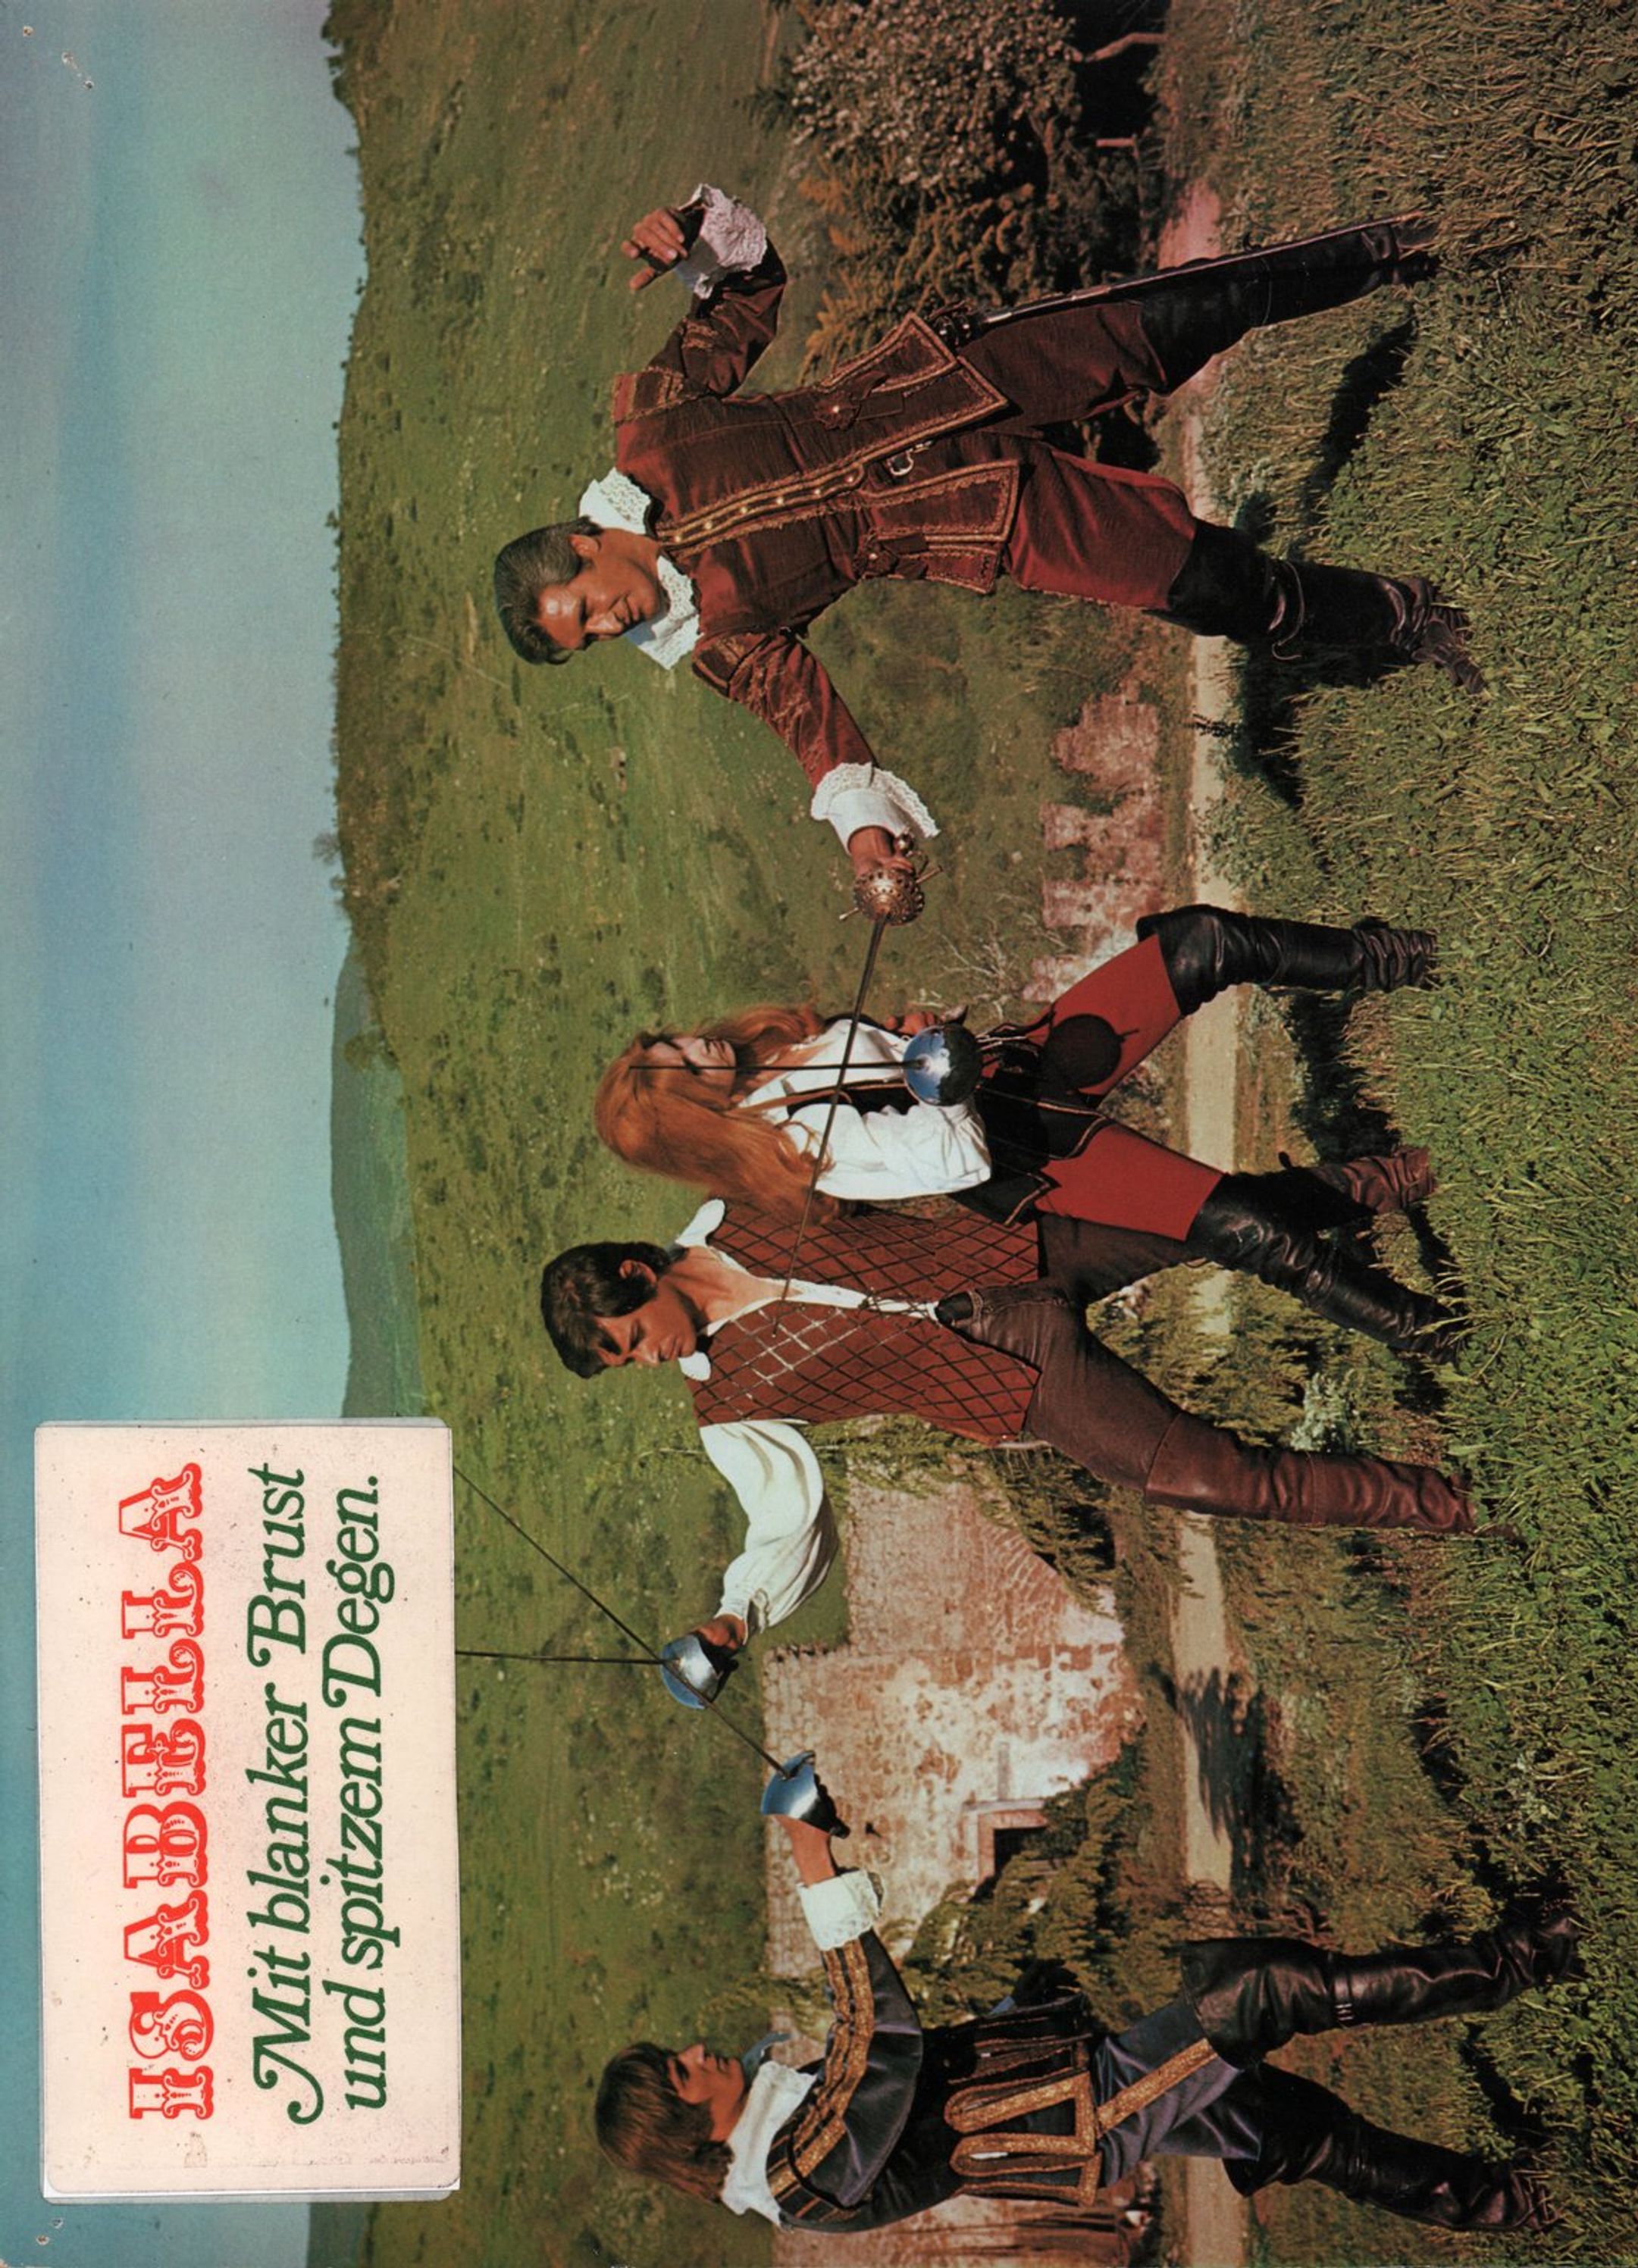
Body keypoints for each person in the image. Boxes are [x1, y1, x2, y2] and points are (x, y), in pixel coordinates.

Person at [493, 186, 1480, 897]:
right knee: (1211, 586)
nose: (611, 626)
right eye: (592, 639)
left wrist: (690, 231)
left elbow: (751, 288)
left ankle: (1413, 245)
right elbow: (804, 718)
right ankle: (1409, 620)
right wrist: (861, 830)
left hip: (958, 377)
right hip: (982, 513)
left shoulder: (654, 422)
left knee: (1192, 309)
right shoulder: (713, 640)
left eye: (587, 610)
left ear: (580, 548)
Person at [593, 1757, 1575, 2234]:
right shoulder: (792, 2172)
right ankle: (1525, 1955)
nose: (698, 2053)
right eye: (680, 2072)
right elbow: (878, 2043)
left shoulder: (784, 2126)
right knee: (1261, 1994)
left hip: (1078, 2089)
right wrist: (812, 1860)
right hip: (1090, 2109)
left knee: (1297, 2131)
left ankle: (1514, 2201)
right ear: (685, 2124)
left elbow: (895, 2085)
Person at [538, 1184, 1488, 1669]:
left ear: (636, 1272)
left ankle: (1400, 1177)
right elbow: (786, 1519)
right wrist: (737, 1612)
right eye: (629, 1363)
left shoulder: (743, 1201)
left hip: (1022, 1243)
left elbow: (868, 1128)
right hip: (1021, 1380)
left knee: (1224, 1217)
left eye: (633, 1339)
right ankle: (1456, 1504)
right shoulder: (726, 1409)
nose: (648, 1359)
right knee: (1211, 1478)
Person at [595, 900, 1461, 1355]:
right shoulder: (800, 1149)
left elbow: (901, 1060)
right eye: (681, 1066)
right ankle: (1438, 1334)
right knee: (1250, 1229)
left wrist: (914, 1035)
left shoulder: (776, 1048)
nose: (695, 1044)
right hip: (1039, 1153)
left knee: (1203, 941)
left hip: (1029, 1064)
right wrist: (941, 1076)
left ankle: (1411, 958)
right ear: (691, 1124)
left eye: (673, 1040)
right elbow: (952, 1160)